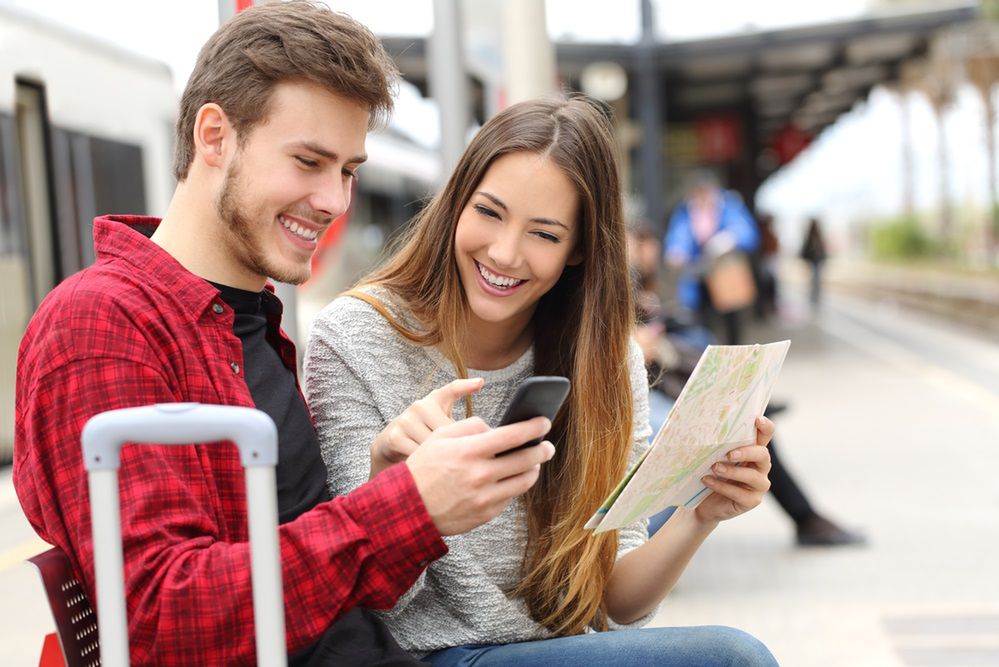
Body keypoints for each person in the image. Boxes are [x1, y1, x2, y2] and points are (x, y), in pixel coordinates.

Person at [13, 4, 554, 665]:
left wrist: (388, 482)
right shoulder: (101, 323)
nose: (334, 200)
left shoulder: (248, 318)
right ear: (215, 137)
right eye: (308, 161)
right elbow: (164, 618)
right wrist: (407, 507)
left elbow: (302, 571)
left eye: (348, 170)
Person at [305, 96, 779, 666]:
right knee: (732, 659)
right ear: (456, 204)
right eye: (489, 212)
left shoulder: (604, 360)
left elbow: (616, 601)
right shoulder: (356, 336)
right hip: (425, 655)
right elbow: (365, 599)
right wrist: (398, 489)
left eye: (545, 235)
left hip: (559, 650)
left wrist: (699, 513)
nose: (504, 253)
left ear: (579, 249)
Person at [629, 223, 865, 547]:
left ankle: (805, 516)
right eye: (640, 243)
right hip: (643, 383)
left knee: (746, 416)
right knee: (740, 419)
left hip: (657, 375)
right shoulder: (611, 284)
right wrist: (634, 348)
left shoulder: (640, 284)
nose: (650, 251)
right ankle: (805, 517)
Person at [664, 171, 759, 344]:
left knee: (732, 326)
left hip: (725, 277)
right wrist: (676, 250)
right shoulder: (685, 211)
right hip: (697, 279)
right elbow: (678, 237)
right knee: (701, 326)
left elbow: (747, 232)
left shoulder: (730, 206)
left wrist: (729, 238)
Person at [800, 216, 828, 307]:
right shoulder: (810, 237)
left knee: (816, 280)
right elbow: (806, 250)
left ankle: (816, 298)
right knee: (814, 280)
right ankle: (813, 298)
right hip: (813, 261)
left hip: (817, 261)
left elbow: (822, 250)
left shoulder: (817, 236)